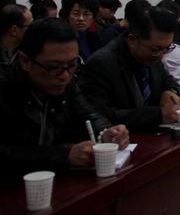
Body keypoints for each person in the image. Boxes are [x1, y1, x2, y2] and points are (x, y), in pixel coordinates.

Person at [0, 18, 129, 177]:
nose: (65, 76)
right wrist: (64, 155)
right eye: (54, 67)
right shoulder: (5, 88)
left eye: (72, 64)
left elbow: (87, 115)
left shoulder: (66, 82)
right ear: (25, 61)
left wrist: (106, 133)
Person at [78, 6, 180, 132]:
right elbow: (97, 116)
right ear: (132, 40)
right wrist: (157, 115)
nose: (162, 55)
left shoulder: (155, 54)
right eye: (156, 49)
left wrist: (172, 92)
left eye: (167, 48)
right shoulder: (102, 63)